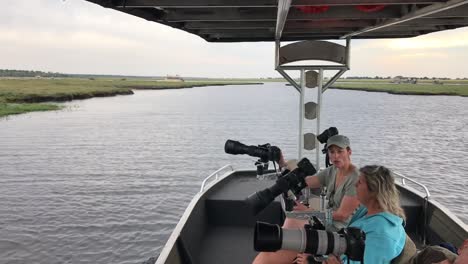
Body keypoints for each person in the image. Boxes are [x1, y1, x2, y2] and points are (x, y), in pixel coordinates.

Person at [253, 134, 360, 264]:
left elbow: (342, 216)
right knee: (294, 216)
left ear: (349, 152)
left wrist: (310, 211)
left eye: (340, 151)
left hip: (340, 232)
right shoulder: (332, 171)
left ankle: (281, 251)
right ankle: (282, 247)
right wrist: (283, 163)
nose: (335, 156)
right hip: (326, 220)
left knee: (296, 221)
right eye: (332, 152)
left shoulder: (355, 178)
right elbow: (304, 182)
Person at [315, 165, 407, 264]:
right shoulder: (365, 211)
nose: (355, 185)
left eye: (359, 182)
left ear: (373, 190)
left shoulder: (382, 234)